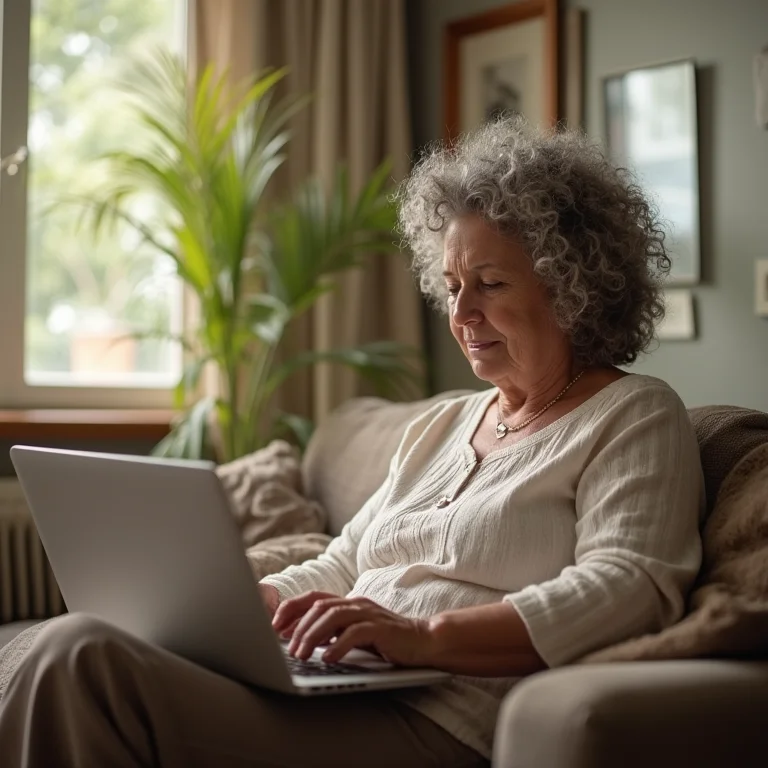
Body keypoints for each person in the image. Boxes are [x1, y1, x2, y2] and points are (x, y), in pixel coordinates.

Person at [0, 119, 704, 767]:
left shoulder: (632, 415)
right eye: (453, 285)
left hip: (443, 719)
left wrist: (424, 638)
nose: (460, 313)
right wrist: (251, 600)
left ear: (572, 287)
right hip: (342, 689)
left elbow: (630, 586)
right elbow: (346, 560)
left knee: (80, 658)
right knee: (77, 640)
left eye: (489, 283)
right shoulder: (441, 425)